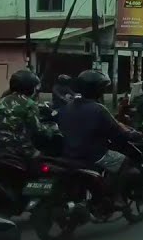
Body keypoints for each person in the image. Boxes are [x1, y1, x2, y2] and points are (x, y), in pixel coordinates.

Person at [56, 70, 135, 205]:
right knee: (124, 161)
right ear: (97, 89)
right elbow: (116, 130)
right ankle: (116, 197)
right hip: (93, 154)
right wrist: (130, 135)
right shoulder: (98, 109)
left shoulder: (67, 106)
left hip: (68, 153)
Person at [0, 69, 46, 158]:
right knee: (43, 159)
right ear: (29, 87)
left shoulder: (0, 101)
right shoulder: (30, 103)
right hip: (20, 149)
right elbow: (36, 129)